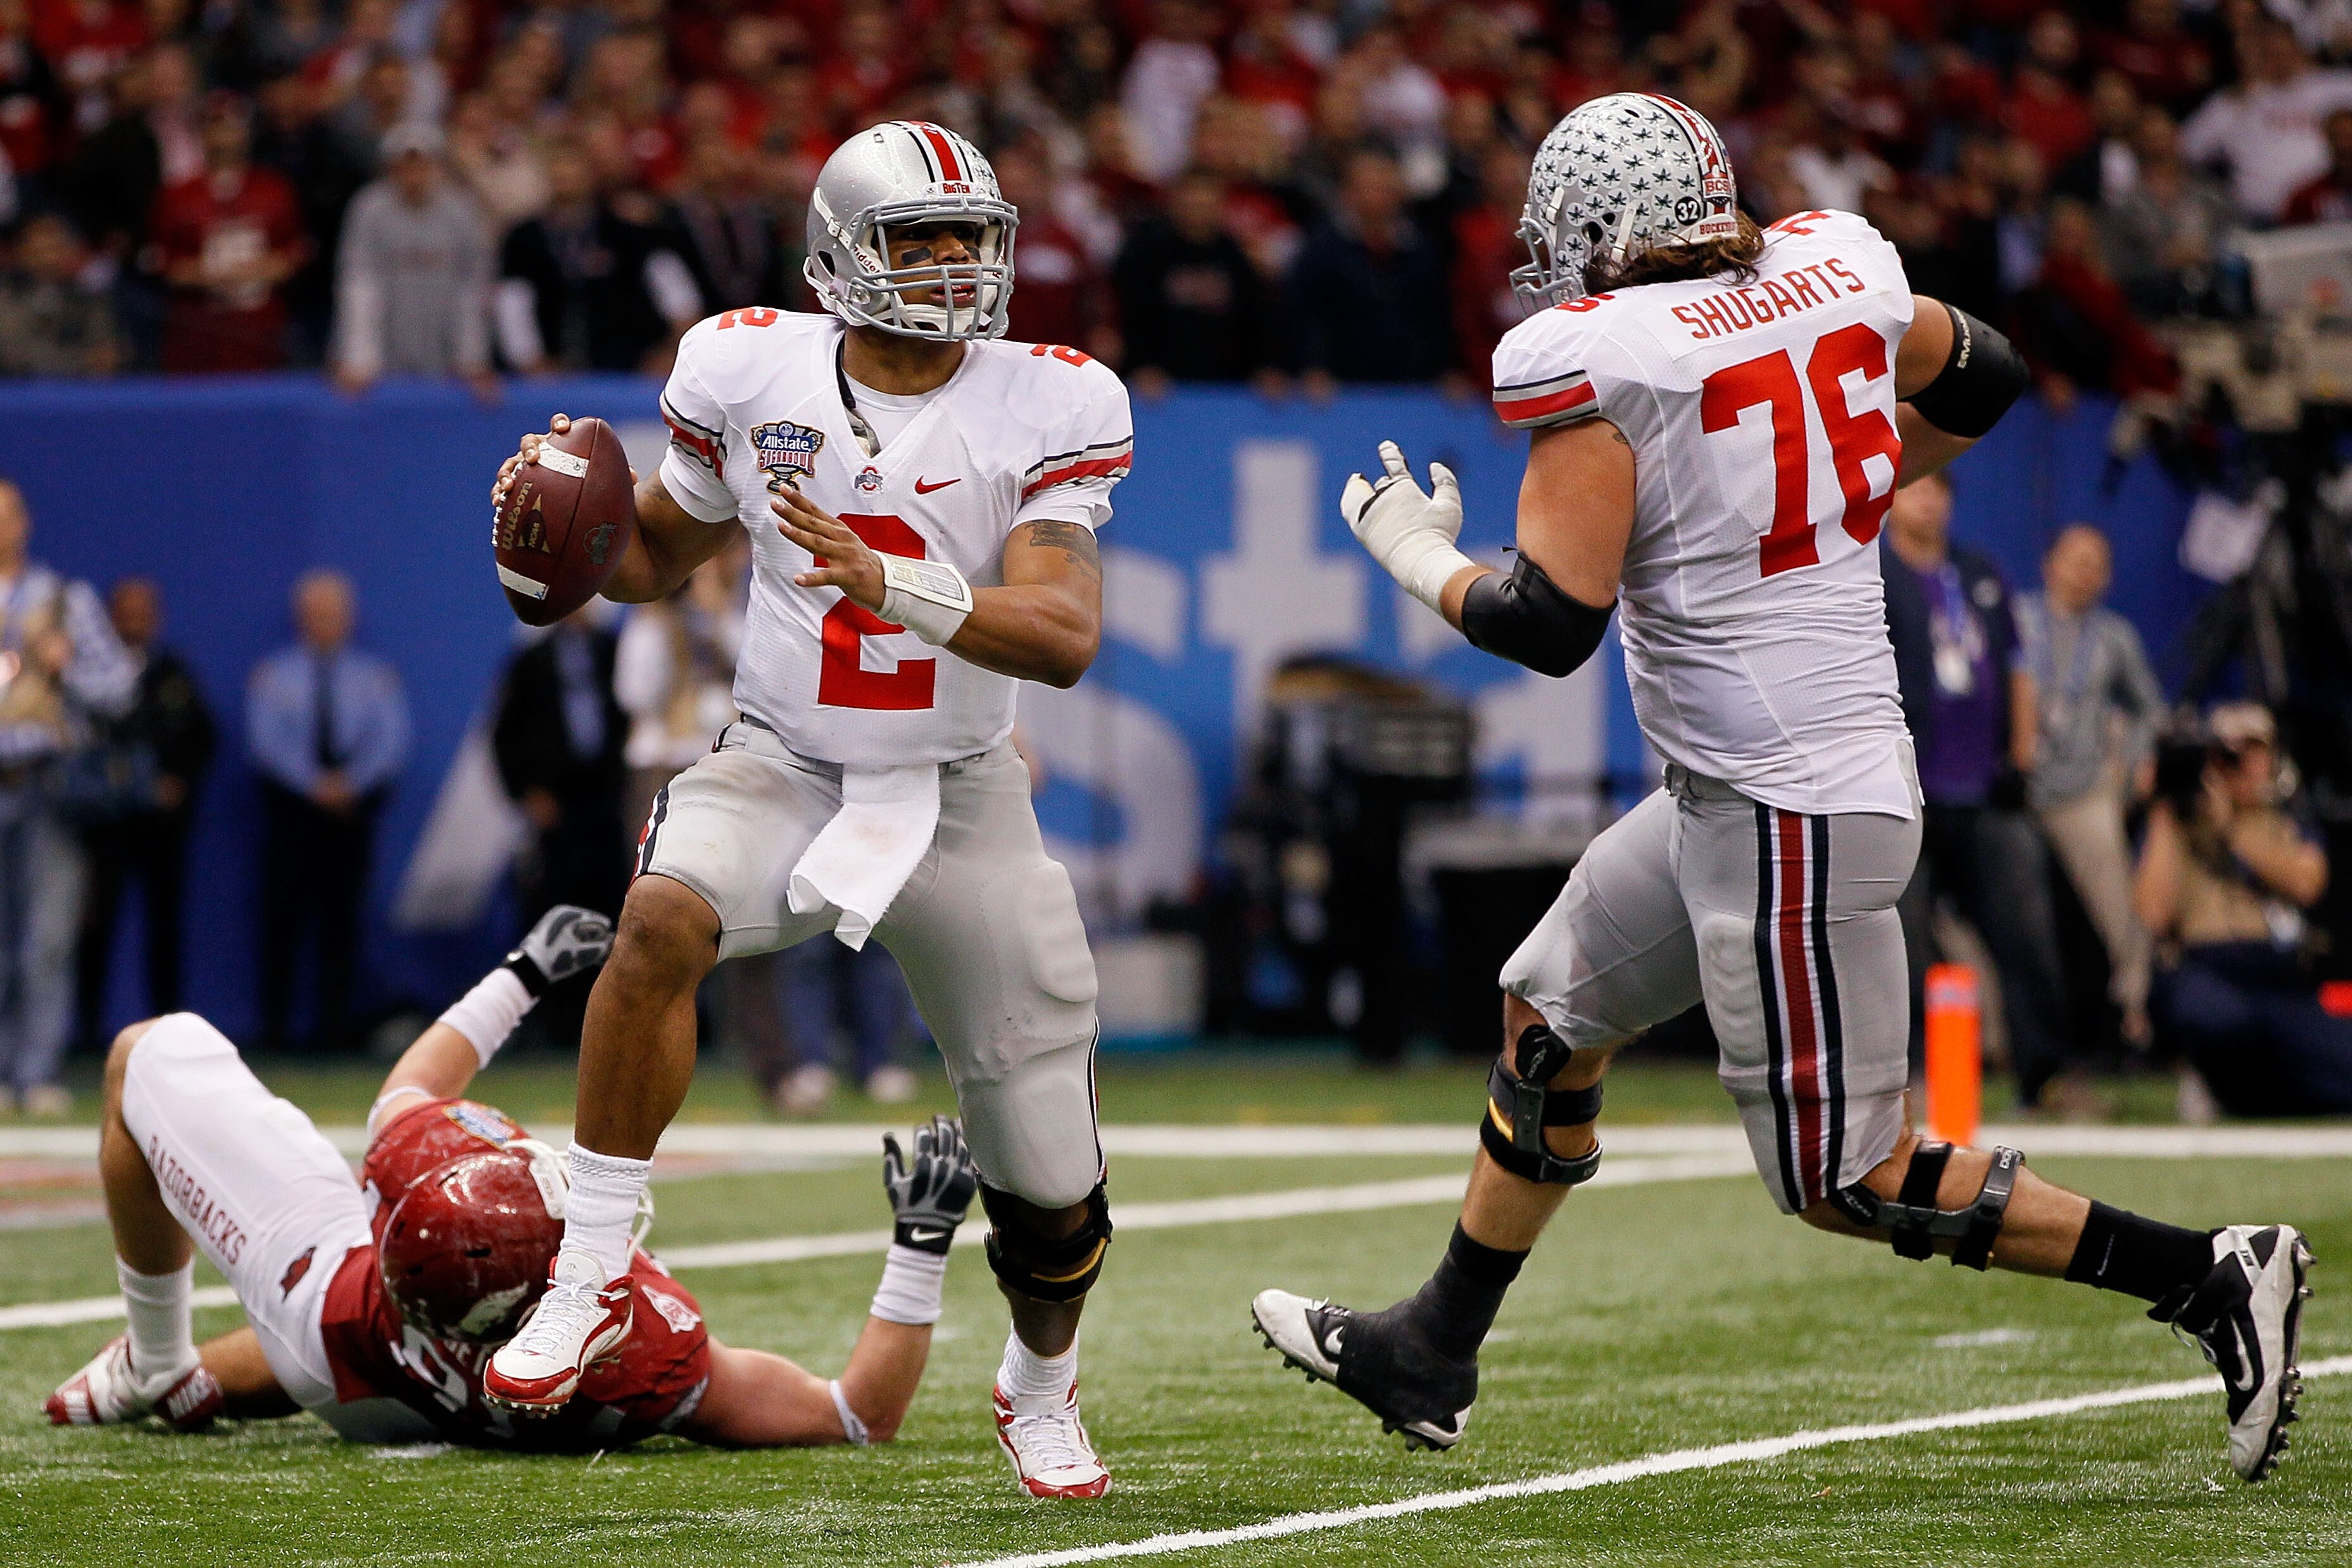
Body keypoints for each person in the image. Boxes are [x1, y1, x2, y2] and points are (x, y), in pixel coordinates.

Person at [1250, 92, 2313, 1488]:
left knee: (1849, 1175)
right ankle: (1429, 1349)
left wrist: (1412, 555)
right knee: (1549, 1011)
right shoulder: (1831, 268)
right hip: (1743, 790)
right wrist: (1833, 480)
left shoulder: (1605, 354)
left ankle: (2210, 1273)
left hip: (1787, 806)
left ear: (1604, 229)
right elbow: (1984, 372)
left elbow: (1548, 621)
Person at [484, 120, 1129, 1499]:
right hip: (782, 760)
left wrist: (896, 583)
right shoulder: (746, 366)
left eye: (970, 237)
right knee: (659, 916)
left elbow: (1064, 630)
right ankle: (590, 1268)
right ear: (839, 255)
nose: (954, 264)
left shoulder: (1053, 397)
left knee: (1048, 1173)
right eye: (919, 239)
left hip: (961, 790)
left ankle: (1040, 1382)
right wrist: (568, 534)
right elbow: (661, 552)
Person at [45, 904, 978, 1453]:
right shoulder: (640, 1358)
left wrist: (521, 973)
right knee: (323, 1346)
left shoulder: (412, 1188)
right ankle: (172, 1380)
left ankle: (157, 1360)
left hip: (331, 1327)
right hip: (358, 1389)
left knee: (148, 1053)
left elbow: (413, 1088)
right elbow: (854, 1413)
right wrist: (922, 1244)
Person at [1881, 470, 2078, 1110]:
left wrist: (2020, 753)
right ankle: (1908, 1079)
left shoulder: (1978, 572)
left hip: (1985, 786)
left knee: (2026, 929)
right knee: (1900, 942)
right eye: (1914, 487)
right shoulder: (1870, 573)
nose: (1927, 499)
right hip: (1905, 790)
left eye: (1937, 489)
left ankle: (2045, 1075)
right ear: (1889, 498)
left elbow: (2016, 665)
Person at [2137, 704, 2352, 1115]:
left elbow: (2306, 884)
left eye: (2251, 751)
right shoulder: (2179, 823)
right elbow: (2152, 914)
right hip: (2209, 970)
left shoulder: (2285, 820)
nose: (2239, 765)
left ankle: (2250, 1092)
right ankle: (2220, 1079)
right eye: (2226, 753)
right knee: (2212, 1014)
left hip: (2280, 980)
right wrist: (2164, 807)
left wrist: (2230, 827)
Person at [0, 479, 135, 1112]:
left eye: (7, 515)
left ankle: (35, 1071)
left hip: (47, 784)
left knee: (47, 938)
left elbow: (119, 687)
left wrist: (67, 663)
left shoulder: (62, 598)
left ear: (24, 523)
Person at [246, 568, 409, 1053]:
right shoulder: (275, 675)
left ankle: (334, 1027)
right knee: (282, 920)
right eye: (315, 613)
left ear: (348, 617)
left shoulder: (373, 676)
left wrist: (349, 784)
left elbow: (391, 740)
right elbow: (266, 742)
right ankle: (275, 1029)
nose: (324, 622)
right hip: (293, 816)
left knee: (343, 922)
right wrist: (313, 784)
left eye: (333, 613)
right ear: (300, 617)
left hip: (350, 818)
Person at [2016, 525, 2166, 1048]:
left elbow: (2149, 708)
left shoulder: (2113, 637)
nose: (2086, 572)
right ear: (2049, 564)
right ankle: (1996, 1027)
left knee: (2120, 903)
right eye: (2076, 559)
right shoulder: (2017, 620)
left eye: (2097, 564)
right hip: (2016, 789)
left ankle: (2138, 1008)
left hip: (2083, 790)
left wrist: (2136, 759)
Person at [72, 577, 215, 1050]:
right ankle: (87, 1032)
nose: (135, 621)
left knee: (165, 928)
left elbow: (203, 737)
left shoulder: (173, 672)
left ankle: (167, 1036)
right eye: (126, 611)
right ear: (110, 618)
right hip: (107, 824)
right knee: (95, 926)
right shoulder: (87, 676)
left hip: (161, 828)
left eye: (144, 611)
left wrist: (178, 783)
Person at [332, 122, 494, 396]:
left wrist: (472, 358)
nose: (413, 174)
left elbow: (472, 287)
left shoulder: (461, 211)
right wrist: (359, 358)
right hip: (382, 354)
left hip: (443, 349)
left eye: (421, 164)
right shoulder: (369, 209)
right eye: (404, 165)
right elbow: (359, 284)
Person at [149, 91, 306, 372]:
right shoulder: (177, 196)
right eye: (215, 126)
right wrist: (216, 275)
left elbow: (294, 254)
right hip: (199, 336)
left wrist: (259, 271)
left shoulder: (274, 190)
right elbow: (166, 266)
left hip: (262, 333)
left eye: (231, 126)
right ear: (202, 134)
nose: (224, 137)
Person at [490, 608, 629, 923]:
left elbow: (626, 718)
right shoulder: (533, 660)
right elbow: (504, 734)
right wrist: (526, 791)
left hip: (604, 796)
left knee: (610, 901)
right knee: (553, 903)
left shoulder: (610, 650)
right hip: (555, 799)